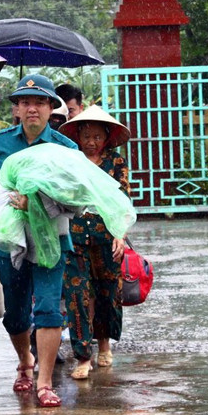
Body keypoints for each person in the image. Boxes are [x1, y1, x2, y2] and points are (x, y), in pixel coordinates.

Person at [0, 74, 78, 408]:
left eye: (39, 102)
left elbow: (75, 199)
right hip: (10, 240)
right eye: (25, 102)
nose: (32, 108)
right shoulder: (2, 142)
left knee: (47, 309)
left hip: (50, 239)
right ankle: (25, 362)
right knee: (14, 315)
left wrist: (39, 204)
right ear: (16, 108)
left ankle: (44, 381)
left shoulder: (64, 147)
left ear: (50, 108)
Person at [58, 105, 131, 379]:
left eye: (97, 137)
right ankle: (82, 356)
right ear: (78, 136)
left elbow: (123, 201)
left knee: (107, 291)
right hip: (74, 233)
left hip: (107, 233)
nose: (91, 142)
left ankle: (104, 344)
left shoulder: (116, 163)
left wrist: (120, 235)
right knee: (77, 295)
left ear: (107, 137)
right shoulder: (70, 160)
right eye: (86, 136)